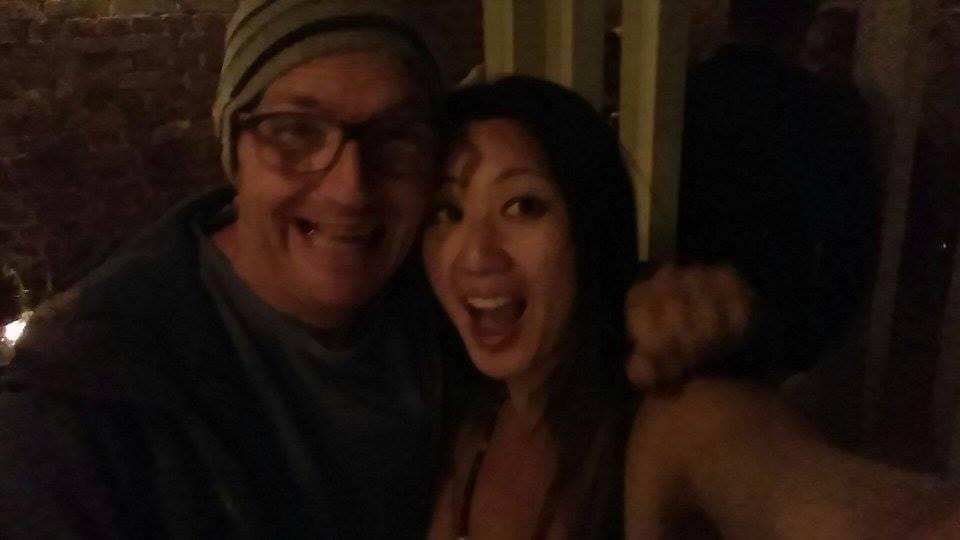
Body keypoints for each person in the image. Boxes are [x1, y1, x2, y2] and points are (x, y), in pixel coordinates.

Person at [0, 2, 750, 538]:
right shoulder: (85, 399)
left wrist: (664, 306)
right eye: (296, 132)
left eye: (392, 136)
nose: (350, 188)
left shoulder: (431, 299)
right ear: (235, 152)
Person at [423, 76, 957, 538]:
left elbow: (844, 506)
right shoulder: (470, 420)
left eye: (523, 205)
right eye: (447, 211)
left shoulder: (673, 421)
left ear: (589, 231)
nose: (476, 254)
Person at [677, 0, 880, 377]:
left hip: (678, 317)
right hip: (767, 330)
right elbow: (852, 244)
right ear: (802, 19)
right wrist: (804, 344)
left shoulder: (680, 97)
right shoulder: (824, 114)